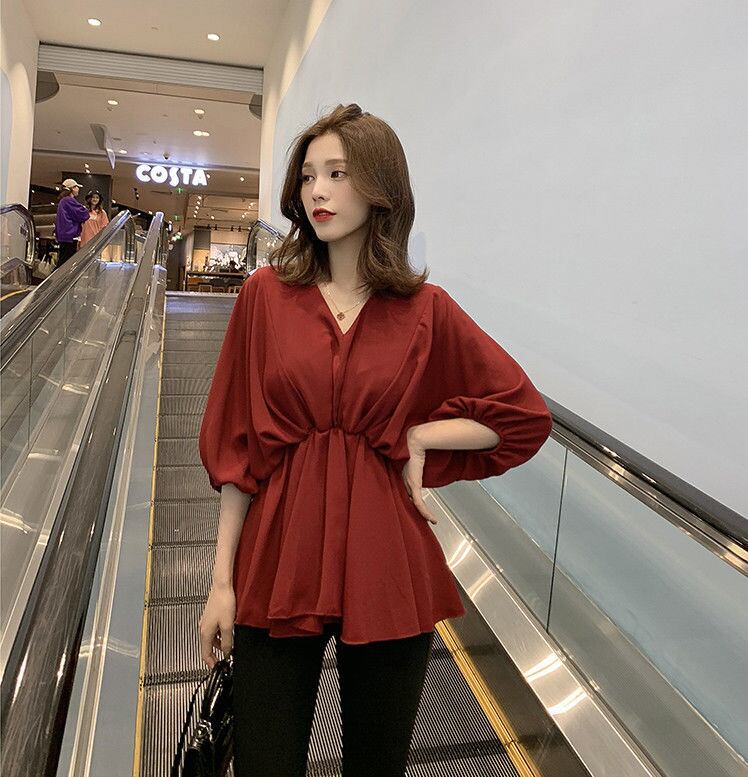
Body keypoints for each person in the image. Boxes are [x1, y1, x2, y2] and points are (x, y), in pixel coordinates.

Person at [198, 104, 552, 777]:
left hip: (386, 557)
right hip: (278, 552)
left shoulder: (425, 310)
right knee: (265, 761)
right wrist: (221, 581)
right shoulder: (265, 296)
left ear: (381, 187)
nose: (319, 191)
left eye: (338, 173)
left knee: (377, 764)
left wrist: (421, 435)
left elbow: (521, 414)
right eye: (309, 176)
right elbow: (239, 447)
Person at [54, 178, 89, 268]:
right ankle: (56, 277)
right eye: (76, 187)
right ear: (72, 188)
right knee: (65, 263)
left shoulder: (63, 201)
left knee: (63, 261)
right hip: (69, 235)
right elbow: (83, 214)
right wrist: (84, 209)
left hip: (65, 235)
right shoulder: (69, 200)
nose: (78, 189)